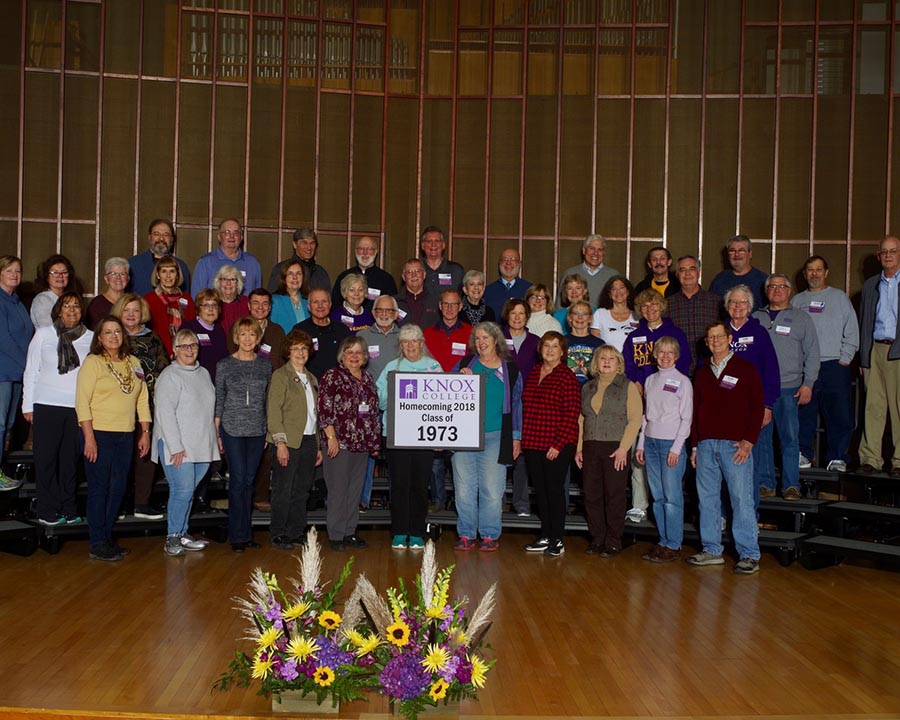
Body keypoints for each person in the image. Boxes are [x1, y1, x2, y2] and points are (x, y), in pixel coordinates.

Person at [688, 322, 764, 575]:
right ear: (707, 342)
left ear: (729, 339)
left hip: (736, 446)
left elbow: (757, 408)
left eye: (720, 336)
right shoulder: (701, 373)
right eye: (711, 337)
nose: (716, 340)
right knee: (707, 500)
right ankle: (711, 549)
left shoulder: (746, 369)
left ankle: (749, 554)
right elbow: (695, 412)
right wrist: (696, 446)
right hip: (706, 445)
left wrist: (749, 441)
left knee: (741, 500)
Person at [76, 316, 151, 561]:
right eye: (107, 332)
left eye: (117, 331)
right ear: (99, 338)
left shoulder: (134, 363)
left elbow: (142, 399)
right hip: (99, 434)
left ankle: (106, 537)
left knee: (118, 488)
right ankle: (97, 542)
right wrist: (88, 437)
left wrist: (145, 432)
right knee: (99, 489)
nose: (113, 336)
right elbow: (81, 402)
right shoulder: (93, 363)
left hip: (126, 434)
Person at [451, 322, 523, 552]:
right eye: (478, 338)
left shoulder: (510, 369)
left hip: (496, 437)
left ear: (496, 340)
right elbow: (443, 394)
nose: (481, 342)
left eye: (486, 338)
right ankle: (466, 534)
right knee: (464, 489)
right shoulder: (464, 365)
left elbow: (516, 405)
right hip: (464, 436)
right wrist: (459, 381)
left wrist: (516, 437)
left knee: (492, 489)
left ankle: (490, 535)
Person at [23, 292, 92, 524]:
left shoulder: (91, 338)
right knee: (46, 460)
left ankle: (68, 508)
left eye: (76, 306)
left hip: (76, 408)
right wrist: (27, 404)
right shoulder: (44, 334)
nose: (72, 310)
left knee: (70, 462)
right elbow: (31, 370)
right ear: (58, 311)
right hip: (46, 405)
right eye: (66, 306)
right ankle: (47, 509)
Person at [752, 273, 820, 501]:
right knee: (762, 439)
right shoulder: (755, 318)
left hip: (789, 389)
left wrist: (808, 383)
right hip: (760, 392)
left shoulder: (802, 319)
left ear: (789, 291)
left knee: (790, 439)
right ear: (766, 290)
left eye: (782, 286)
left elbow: (812, 354)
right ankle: (765, 483)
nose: (777, 290)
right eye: (772, 286)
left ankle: (791, 485)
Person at [375, 324, 442, 550]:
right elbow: (380, 402)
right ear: (400, 345)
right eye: (406, 341)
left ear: (422, 343)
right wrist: (392, 386)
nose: (410, 345)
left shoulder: (433, 367)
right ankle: (399, 531)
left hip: (423, 436)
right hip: (396, 435)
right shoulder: (391, 367)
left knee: (420, 486)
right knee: (400, 486)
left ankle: (416, 532)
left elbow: (442, 403)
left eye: (414, 341)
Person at [152, 328, 218, 557]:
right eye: (184, 346)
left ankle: (182, 532)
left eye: (193, 345)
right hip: (177, 444)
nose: (189, 350)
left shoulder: (203, 373)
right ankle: (172, 536)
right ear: (174, 350)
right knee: (183, 489)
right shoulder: (169, 376)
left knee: (189, 491)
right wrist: (175, 446)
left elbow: (207, 409)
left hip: (201, 443)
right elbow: (164, 413)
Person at [791, 255, 859, 472]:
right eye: (810, 270)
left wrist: (845, 359)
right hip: (804, 367)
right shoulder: (797, 301)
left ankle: (837, 457)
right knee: (804, 413)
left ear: (826, 272)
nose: (814, 274)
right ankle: (803, 454)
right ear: (804, 274)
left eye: (819, 269)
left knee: (839, 414)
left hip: (833, 365)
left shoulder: (839, 298)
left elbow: (852, 331)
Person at [576, 345, 642, 557]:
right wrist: (578, 448)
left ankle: (613, 540)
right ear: (596, 362)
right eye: (602, 358)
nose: (606, 361)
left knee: (614, 496)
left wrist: (624, 448)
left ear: (618, 363)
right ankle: (598, 538)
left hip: (616, 447)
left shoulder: (627, 386)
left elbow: (634, 420)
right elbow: (581, 419)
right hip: (590, 445)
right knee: (592, 495)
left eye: (611, 358)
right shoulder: (588, 387)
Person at [317, 336, 380, 551]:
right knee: (338, 490)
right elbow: (324, 409)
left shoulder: (369, 378)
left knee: (355, 490)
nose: (354, 356)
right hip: (339, 443)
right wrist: (331, 437)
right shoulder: (332, 376)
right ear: (342, 356)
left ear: (364, 357)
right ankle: (335, 535)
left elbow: (372, 412)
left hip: (362, 444)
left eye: (358, 352)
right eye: (349, 352)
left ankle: (349, 532)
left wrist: (374, 441)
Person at [521, 331, 581, 557]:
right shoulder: (535, 372)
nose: (549, 350)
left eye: (555, 346)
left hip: (557, 444)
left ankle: (557, 538)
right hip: (534, 442)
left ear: (562, 351)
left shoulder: (567, 377)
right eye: (546, 345)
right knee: (542, 492)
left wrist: (557, 444)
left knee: (554, 492)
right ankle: (545, 535)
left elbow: (571, 414)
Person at [215, 317, 272, 552]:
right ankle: (236, 536)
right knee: (238, 480)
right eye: (243, 334)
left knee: (249, 481)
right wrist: (217, 430)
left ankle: (246, 533)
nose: (247, 339)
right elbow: (219, 397)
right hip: (232, 429)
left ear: (258, 339)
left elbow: (268, 400)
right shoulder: (224, 365)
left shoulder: (265, 366)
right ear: (236, 337)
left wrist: (269, 430)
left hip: (257, 430)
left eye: (252, 335)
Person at [111, 293, 170, 519]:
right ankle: (119, 505)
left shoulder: (153, 339)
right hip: (118, 407)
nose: (131, 315)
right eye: (126, 310)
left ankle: (142, 504)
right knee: (120, 459)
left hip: (148, 405)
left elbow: (164, 370)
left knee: (146, 457)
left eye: (135, 310)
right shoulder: (111, 337)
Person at [635, 337, 692, 563]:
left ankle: (674, 544)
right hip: (650, 443)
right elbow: (646, 416)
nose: (665, 356)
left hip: (671, 445)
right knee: (657, 498)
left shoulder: (683, 382)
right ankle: (663, 540)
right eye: (661, 352)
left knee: (672, 497)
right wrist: (641, 443)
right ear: (655, 354)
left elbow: (686, 418)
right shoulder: (649, 380)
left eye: (670, 352)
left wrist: (677, 448)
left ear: (676, 356)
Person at [266, 329, 320, 549]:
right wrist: (280, 443)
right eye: (296, 348)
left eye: (304, 348)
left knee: (302, 490)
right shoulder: (280, 375)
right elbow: (273, 411)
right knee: (283, 490)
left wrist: (317, 445)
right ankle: (279, 532)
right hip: (287, 442)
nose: (300, 352)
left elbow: (316, 415)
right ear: (288, 352)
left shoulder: (313, 378)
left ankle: (296, 532)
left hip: (308, 441)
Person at [724, 285, 780, 493]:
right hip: (727, 407)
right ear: (726, 306)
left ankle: (759, 493)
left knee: (755, 452)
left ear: (750, 306)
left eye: (742, 302)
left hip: (753, 406)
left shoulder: (759, 333)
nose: (737, 306)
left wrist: (767, 405)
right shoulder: (720, 332)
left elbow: (771, 371)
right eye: (733, 302)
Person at [857, 235, 900, 475]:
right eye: (884, 252)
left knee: (899, 407)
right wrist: (864, 357)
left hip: (898, 350)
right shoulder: (871, 284)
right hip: (875, 349)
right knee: (873, 406)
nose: (889, 255)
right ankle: (870, 458)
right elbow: (865, 323)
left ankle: (899, 460)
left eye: (893, 251)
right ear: (879, 256)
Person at [357, 294, 402, 511]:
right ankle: (362, 501)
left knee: (396, 457)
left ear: (396, 314)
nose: (384, 314)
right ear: (374, 313)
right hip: (368, 405)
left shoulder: (405, 337)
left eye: (389, 311)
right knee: (366, 454)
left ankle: (397, 502)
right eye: (380, 310)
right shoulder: (362, 336)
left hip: (400, 407)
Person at [501, 298, 541, 517]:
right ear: (507, 315)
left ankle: (521, 503)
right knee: (500, 453)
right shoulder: (497, 339)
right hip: (501, 403)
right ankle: (497, 502)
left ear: (527, 316)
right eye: (513, 313)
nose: (517, 317)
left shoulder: (536, 341)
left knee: (522, 455)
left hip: (528, 404)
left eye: (521, 313)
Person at [0, 255, 32, 490]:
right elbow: (5, 340)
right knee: (0, 424)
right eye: (9, 270)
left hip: (16, 373)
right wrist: (28, 367)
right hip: (4, 371)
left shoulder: (17, 301)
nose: (14, 274)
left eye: (18, 271)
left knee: (8, 425)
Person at [622, 289, 692, 390]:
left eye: (654, 304)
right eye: (644, 305)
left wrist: (671, 385)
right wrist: (635, 382)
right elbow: (627, 363)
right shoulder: (633, 336)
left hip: (669, 387)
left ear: (661, 306)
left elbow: (684, 361)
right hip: (641, 388)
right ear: (640, 309)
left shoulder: (676, 334)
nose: (649, 309)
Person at [666, 255, 722, 375]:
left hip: (711, 370)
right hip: (677, 371)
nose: (687, 274)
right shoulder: (667, 305)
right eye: (682, 270)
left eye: (692, 269)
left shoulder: (716, 302)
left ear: (698, 272)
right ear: (677, 274)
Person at [192, 218, 262, 297]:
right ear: (219, 237)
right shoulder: (205, 262)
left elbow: (258, 297)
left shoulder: (252, 263)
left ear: (241, 237)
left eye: (236, 233)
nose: (231, 236)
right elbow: (197, 297)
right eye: (227, 232)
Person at [144, 254, 195, 357]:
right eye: (164, 271)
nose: (168, 276)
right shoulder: (148, 299)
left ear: (177, 275)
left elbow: (193, 326)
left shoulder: (186, 299)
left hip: (184, 353)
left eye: (172, 271)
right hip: (157, 352)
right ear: (158, 275)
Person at [295, 287, 351, 379]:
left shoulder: (342, 330)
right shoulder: (299, 331)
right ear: (309, 306)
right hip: (309, 384)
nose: (320, 306)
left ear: (330, 304)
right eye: (315, 302)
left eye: (324, 301)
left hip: (337, 384)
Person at [228, 288, 287, 372]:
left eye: (265, 304)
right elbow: (231, 355)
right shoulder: (237, 327)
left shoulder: (278, 331)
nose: (260, 307)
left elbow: (282, 361)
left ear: (270, 307)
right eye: (256, 303)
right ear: (249, 305)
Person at [330, 235, 397, 308]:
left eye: (369, 249)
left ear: (376, 251)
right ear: (355, 251)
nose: (365, 252)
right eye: (361, 249)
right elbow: (335, 305)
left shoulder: (386, 279)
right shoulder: (344, 276)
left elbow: (392, 308)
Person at [128, 219, 191, 296]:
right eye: (156, 234)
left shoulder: (181, 266)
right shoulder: (132, 264)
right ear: (149, 237)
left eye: (166, 234)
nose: (161, 239)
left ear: (172, 239)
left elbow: (185, 299)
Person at [557, 234, 619, 308]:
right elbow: (559, 306)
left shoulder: (614, 276)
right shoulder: (570, 273)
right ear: (584, 251)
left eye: (600, 250)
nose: (595, 253)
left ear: (604, 253)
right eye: (592, 248)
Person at [709, 234, 769, 311]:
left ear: (750, 253)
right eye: (732, 251)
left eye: (741, 250)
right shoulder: (720, 279)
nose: (736, 254)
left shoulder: (762, 280)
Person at [182, 289, 229, 383]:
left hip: (217, 383)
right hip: (195, 382)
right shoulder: (189, 328)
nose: (211, 309)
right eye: (206, 305)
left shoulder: (219, 330)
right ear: (198, 308)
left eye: (214, 305)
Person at [268, 226, 331, 295]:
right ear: (294, 245)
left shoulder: (321, 273)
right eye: (304, 243)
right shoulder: (281, 269)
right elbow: (273, 299)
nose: (309, 248)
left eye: (312, 243)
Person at [423, 289, 472, 371]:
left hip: (461, 381)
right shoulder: (426, 334)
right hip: (433, 381)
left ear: (460, 307)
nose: (449, 308)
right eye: (446, 304)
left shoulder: (471, 332)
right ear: (440, 306)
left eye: (454, 304)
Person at [591, 275, 639, 351]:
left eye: (621, 288)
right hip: (607, 361)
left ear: (628, 291)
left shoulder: (638, 315)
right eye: (614, 289)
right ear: (609, 294)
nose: (618, 292)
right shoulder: (600, 314)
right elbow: (594, 343)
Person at [31, 254, 78, 329]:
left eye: (64, 272)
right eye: (55, 273)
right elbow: (49, 329)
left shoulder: (69, 298)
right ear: (46, 276)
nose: (60, 276)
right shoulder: (42, 300)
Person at [484, 247, 533, 318]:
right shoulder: (488, 290)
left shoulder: (529, 289)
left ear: (519, 264)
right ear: (499, 263)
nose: (508, 263)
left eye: (513, 259)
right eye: (505, 259)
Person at [565, 300, 604, 385]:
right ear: (570, 317)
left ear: (590, 319)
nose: (580, 317)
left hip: (591, 391)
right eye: (576, 313)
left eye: (584, 314)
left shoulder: (599, 344)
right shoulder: (562, 341)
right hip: (567, 390)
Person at [395, 257, 439, 328]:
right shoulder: (394, 302)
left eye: (417, 271)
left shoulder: (436, 301)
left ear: (424, 275)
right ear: (403, 277)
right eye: (409, 272)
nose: (414, 275)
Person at [86, 258, 129, 330]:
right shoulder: (97, 304)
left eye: (122, 274)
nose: (118, 278)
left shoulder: (132, 302)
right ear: (106, 279)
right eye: (113, 274)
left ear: (128, 279)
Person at [420, 225, 464, 294]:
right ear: (422, 246)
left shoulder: (456, 270)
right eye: (429, 241)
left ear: (443, 245)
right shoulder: (415, 271)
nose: (433, 244)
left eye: (437, 241)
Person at [270, 260, 310, 333]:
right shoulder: (275, 301)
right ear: (284, 278)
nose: (295, 277)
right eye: (290, 274)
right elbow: (272, 331)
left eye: (298, 273)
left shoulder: (308, 301)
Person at [214, 264, 250, 335]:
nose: (228, 283)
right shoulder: (212, 302)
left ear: (238, 283)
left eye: (232, 279)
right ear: (218, 282)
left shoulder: (246, 302)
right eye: (224, 279)